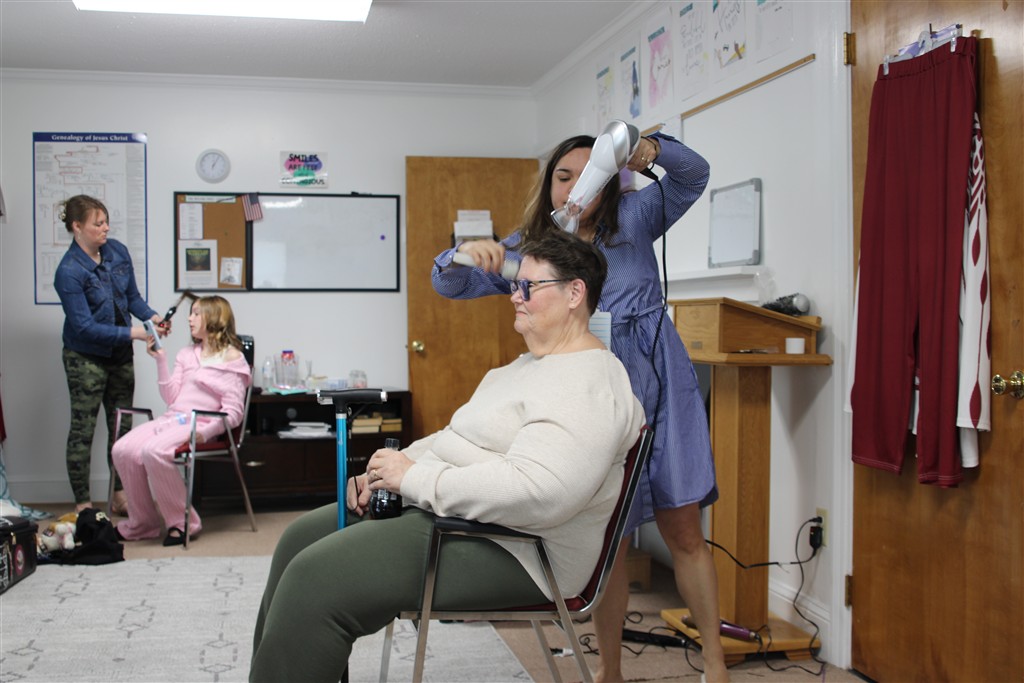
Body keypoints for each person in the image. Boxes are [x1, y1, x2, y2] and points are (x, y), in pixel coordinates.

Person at [250, 231, 645, 682]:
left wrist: (414, 480)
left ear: (575, 293)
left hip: (519, 549)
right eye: (515, 285)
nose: (514, 296)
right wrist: (383, 475)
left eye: (528, 286)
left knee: (315, 579)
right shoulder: (526, 366)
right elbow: (454, 438)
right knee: (298, 540)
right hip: (464, 519)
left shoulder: (589, 384)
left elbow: (540, 493)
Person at [431, 131, 728, 681]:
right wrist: (462, 255)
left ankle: (716, 662)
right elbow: (452, 284)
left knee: (685, 529)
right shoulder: (534, 247)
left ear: (610, 179)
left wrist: (650, 148)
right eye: (562, 176)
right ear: (549, 185)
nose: (574, 187)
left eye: (589, 173)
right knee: (608, 538)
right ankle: (609, 671)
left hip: (661, 383)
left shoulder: (636, 218)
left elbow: (695, 175)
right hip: (591, 393)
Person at [54, 195, 170, 515]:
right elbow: (84, 327)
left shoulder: (117, 251)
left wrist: (152, 318)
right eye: (98, 223)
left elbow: (132, 298)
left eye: (106, 221)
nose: (106, 228)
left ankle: (119, 494)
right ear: (77, 227)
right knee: (83, 432)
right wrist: (135, 333)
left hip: (120, 356)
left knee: (122, 430)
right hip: (85, 359)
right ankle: (84, 506)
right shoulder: (68, 271)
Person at [111, 295, 249, 546]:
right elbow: (171, 397)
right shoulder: (187, 354)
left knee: (154, 451)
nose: (189, 318)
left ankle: (183, 523)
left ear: (214, 317)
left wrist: (206, 433)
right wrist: (161, 359)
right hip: (172, 419)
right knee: (122, 449)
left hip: (201, 424)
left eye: (196, 313)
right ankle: (142, 524)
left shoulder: (233, 359)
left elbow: (234, 413)